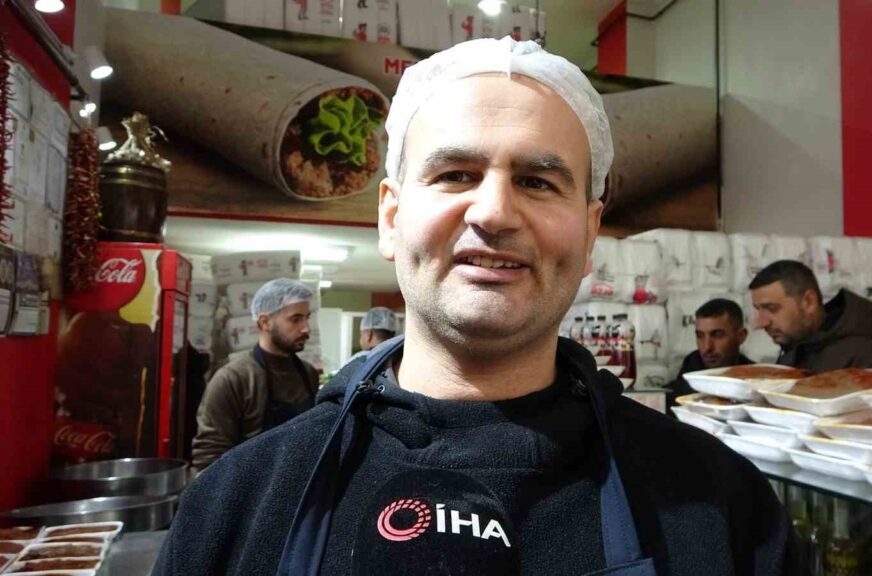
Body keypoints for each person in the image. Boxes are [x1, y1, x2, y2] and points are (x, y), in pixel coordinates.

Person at [154, 38, 794, 575]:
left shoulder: (721, 504)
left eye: (537, 181)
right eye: (455, 174)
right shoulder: (234, 505)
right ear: (391, 217)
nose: (493, 212)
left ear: (590, 232)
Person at [190, 278, 319, 472]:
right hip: (249, 486)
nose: (306, 328)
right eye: (295, 319)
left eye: (307, 318)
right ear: (265, 322)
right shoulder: (233, 378)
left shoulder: (308, 374)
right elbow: (209, 455)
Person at [750, 260, 872, 372]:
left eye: (772, 308)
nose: (760, 323)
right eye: (758, 310)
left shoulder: (866, 361)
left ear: (809, 302)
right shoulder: (795, 349)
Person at [669, 298, 753, 396]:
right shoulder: (670, 396)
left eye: (717, 335)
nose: (707, 347)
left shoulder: (759, 383)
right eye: (700, 336)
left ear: (741, 336)